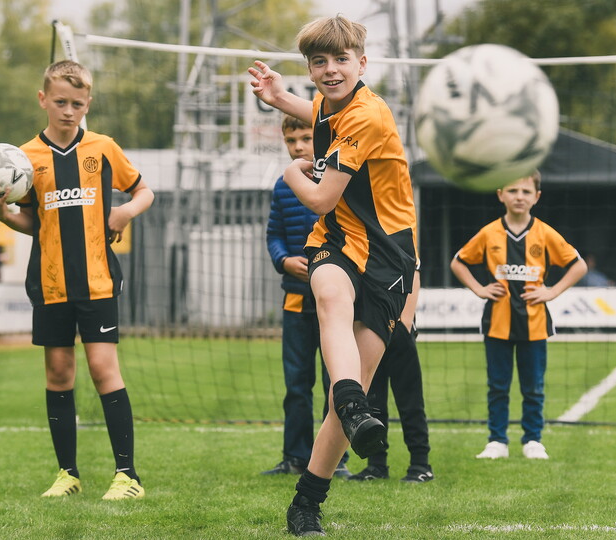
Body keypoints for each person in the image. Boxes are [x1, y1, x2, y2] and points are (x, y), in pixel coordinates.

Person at [249, 15, 418, 536]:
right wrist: (280, 98)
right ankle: (351, 403)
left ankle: (307, 501)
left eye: (340, 60)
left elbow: (321, 195)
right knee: (329, 298)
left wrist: (290, 172)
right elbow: (318, 112)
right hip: (338, 239)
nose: (329, 70)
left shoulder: (367, 115)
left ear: (362, 64)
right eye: (318, 62)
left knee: (354, 386)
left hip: (389, 253)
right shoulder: (332, 104)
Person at [0, 60, 155, 500]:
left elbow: (143, 191)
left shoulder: (103, 148)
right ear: (43, 100)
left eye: (77, 103)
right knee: (58, 372)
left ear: (87, 103)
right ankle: (67, 474)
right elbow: (32, 223)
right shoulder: (22, 158)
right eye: (60, 102)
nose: (68, 110)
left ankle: (127, 476)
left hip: (97, 281)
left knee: (102, 368)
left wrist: (125, 212)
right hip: (49, 282)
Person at [450, 171, 586, 461]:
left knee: (533, 387)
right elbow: (458, 262)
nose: (519, 197)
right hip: (497, 323)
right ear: (500, 195)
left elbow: (578, 266)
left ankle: (533, 439)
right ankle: (497, 440)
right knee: (497, 386)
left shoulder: (545, 233)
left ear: (536, 197)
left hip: (534, 325)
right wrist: (478, 288)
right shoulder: (489, 233)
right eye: (513, 191)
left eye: (526, 192)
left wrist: (551, 292)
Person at [264, 114, 350, 479]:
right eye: (291, 141)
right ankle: (294, 457)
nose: (298, 147)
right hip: (296, 300)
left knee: (338, 383)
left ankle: (337, 462)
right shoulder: (283, 185)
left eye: (304, 139)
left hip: (338, 302)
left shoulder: (342, 179)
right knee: (296, 384)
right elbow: (273, 235)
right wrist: (283, 260)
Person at [348, 269, 433, 483]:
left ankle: (420, 464)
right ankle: (376, 465)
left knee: (410, 401)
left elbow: (415, 271)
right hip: (371, 327)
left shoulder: (402, 235)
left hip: (399, 331)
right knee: (373, 400)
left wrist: (404, 322)